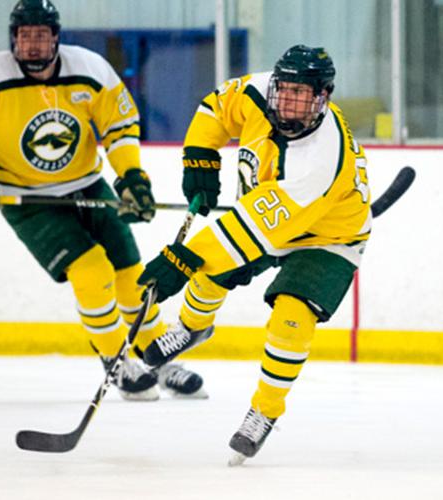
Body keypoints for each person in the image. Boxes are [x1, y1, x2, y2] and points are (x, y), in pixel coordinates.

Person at [0, 0, 206, 400]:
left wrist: (131, 175)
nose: (32, 45)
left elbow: (119, 125)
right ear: (13, 38)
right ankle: (115, 363)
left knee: (132, 278)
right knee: (92, 271)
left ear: (56, 38)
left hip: (87, 185)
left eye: (41, 36)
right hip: (28, 201)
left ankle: (159, 360)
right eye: (24, 36)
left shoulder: (90, 68)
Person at [137, 45, 371, 464]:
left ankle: (264, 411)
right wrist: (201, 158)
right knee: (212, 272)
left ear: (323, 97)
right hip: (267, 212)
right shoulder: (260, 91)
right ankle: (192, 328)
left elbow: (246, 234)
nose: (289, 104)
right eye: (286, 92)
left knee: (291, 317)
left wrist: (179, 260)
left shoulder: (318, 160)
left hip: (329, 236)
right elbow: (215, 109)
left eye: (302, 96)